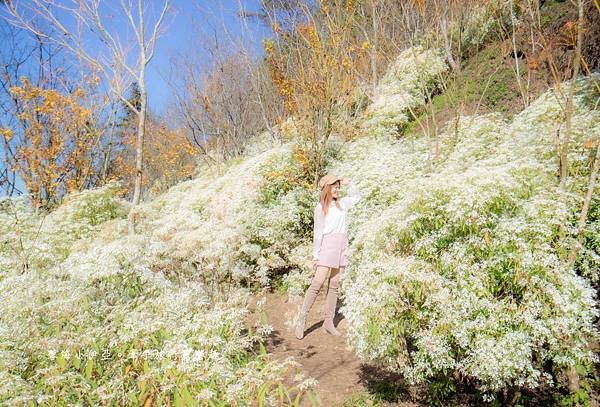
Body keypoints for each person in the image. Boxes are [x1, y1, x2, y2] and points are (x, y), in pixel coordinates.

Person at [295, 174, 361, 339]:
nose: (337, 189)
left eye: (338, 186)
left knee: (334, 285)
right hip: (326, 246)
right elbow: (318, 232)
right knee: (317, 284)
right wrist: (316, 254)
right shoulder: (321, 208)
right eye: (334, 186)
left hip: (341, 245)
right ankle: (302, 319)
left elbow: (357, 196)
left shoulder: (342, 204)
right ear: (327, 189)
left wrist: (349, 183)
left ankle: (328, 322)